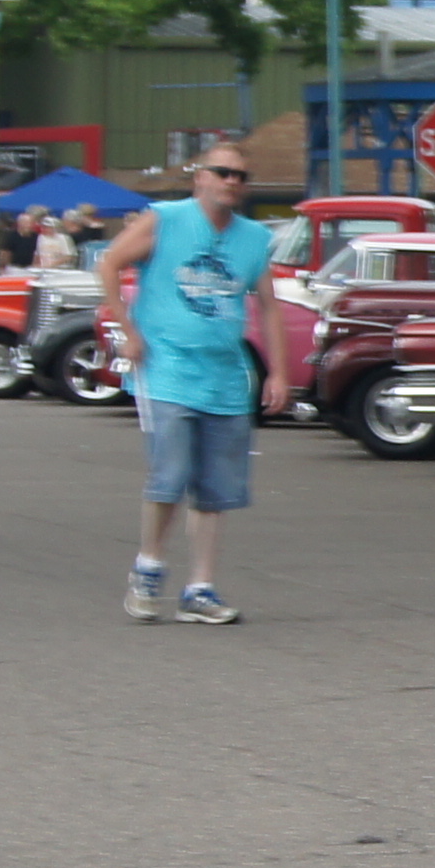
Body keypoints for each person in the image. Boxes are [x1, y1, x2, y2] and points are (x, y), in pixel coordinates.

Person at [102, 148, 276, 624]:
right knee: (170, 474)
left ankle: (199, 587)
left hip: (224, 375)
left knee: (216, 489)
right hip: (167, 369)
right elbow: (110, 263)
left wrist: (279, 373)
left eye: (240, 175)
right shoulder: (165, 219)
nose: (231, 181)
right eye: (222, 172)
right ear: (200, 177)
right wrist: (129, 331)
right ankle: (149, 566)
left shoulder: (254, 238)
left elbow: (269, 305)